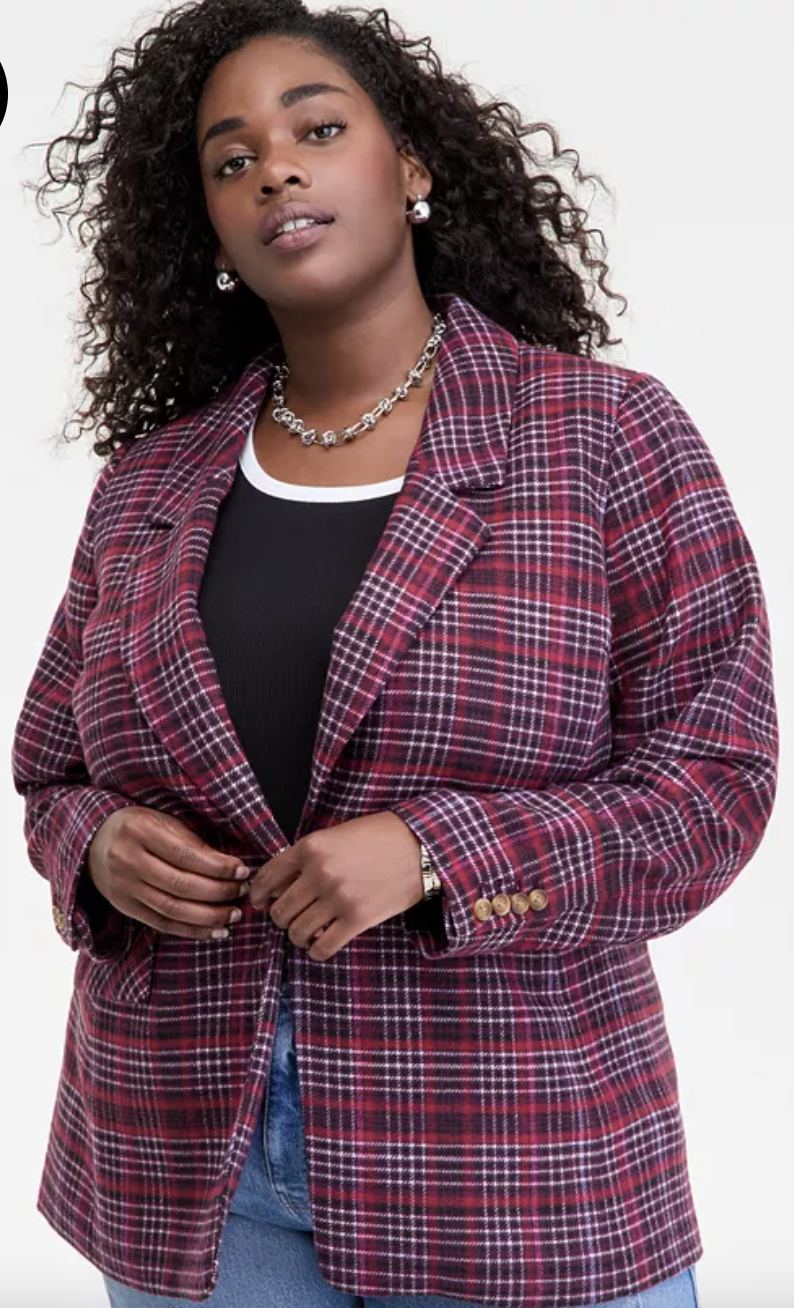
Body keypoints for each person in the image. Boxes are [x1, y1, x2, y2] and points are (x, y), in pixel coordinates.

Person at [11, 2, 778, 1306]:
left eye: (315, 129)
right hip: (187, 1166)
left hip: (513, 1160)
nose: (275, 170)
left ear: (410, 165)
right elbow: (50, 773)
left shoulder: (600, 437)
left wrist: (438, 855)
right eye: (231, 159)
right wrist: (96, 845)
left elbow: (713, 786)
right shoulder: (148, 485)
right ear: (209, 228)